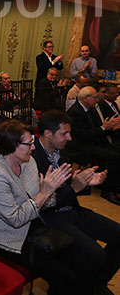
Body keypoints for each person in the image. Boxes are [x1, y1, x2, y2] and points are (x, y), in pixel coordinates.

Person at [0, 120, 84, 295]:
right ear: (13, 146)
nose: (33, 148)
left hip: (30, 224)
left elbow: (40, 202)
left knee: (78, 259)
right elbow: (15, 219)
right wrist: (44, 194)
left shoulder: (27, 163)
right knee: (65, 276)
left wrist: (49, 193)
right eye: (29, 144)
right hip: (5, 235)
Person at [33, 110, 120, 294]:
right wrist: (75, 188)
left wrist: (86, 183)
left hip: (69, 208)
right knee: (95, 255)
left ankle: (96, 283)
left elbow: (67, 188)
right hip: (50, 216)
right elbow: (45, 201)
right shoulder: (31, 158)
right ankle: (89, 286)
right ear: (48, 134)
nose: (70, 138)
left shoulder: (59, 153)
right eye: (64, 133)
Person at [66, 86, 120, 205]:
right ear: (85, 98)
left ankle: (112, 183)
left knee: (116, 150)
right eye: (95, 97)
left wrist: (108, 127)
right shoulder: (76, 112)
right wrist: (104, 127)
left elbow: (97, 129)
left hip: (91, 141)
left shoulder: (89, 109)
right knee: (113, 156)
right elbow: (84, 135)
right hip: (79, 146)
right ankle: (107, 191)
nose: (97, 100)